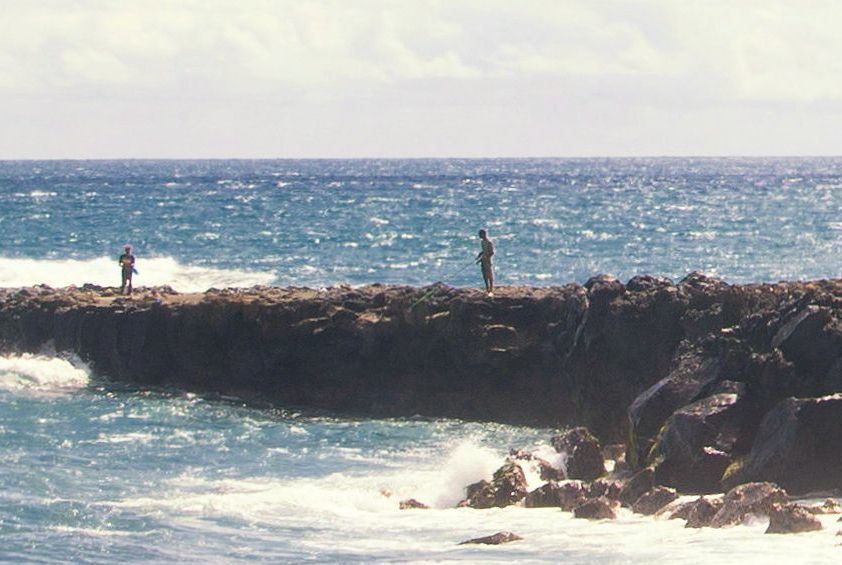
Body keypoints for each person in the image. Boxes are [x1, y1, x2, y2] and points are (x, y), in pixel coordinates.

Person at [475, 229, 494, 295]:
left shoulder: (489, 242)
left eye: (480, 234)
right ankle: (487, 288)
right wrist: (479, 255)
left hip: (487, 261)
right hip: (483, 260)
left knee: (489, 274)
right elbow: (483, 250)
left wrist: (486, 257)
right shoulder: (482, 242)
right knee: (484, 275)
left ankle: (491, 288)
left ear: (484, 234)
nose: (479, 236)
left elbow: (491, 252)